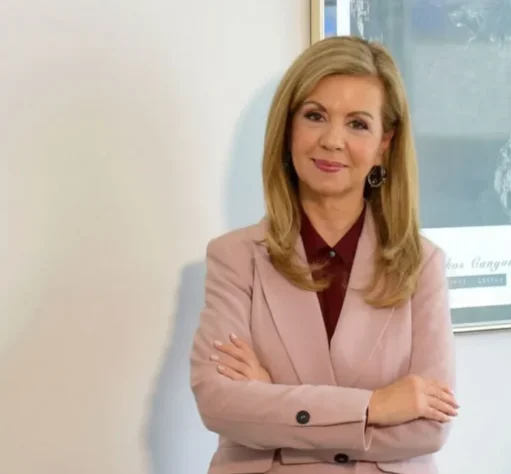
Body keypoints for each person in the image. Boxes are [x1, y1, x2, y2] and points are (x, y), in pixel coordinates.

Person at [189, 35, 458, 474]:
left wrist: (271, 402)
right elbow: (220, 404)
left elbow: (428, 429)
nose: (333, 141)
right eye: (315, 116)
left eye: (358, 124)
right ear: (288, 129)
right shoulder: (234, 258)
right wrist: (375, 406)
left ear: (384, 144)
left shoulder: (422, 265)